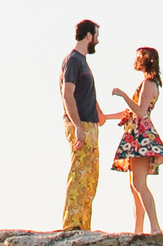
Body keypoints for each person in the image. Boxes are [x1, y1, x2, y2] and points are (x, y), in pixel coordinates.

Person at [103, 46, 163, 235]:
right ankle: (138, 229)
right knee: (135, 186)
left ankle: (154, 227)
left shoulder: (148, 83)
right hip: (137, 136)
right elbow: (132, 113)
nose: (135, 60)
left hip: (141, 138)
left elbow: (140, 111)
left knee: (139, 184)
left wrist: (123, 95)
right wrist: (106, 117)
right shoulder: (148, 83)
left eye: (138, 57)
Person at [58, 18, 104, 229]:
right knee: (79, 174)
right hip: (81, 124)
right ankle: (71, 225)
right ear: (88, 36)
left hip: (90, 124)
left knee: (90, 177)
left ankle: (83, 226)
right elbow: (67, 94)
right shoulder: (74, 60)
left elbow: (86, 95)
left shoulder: (83, 61)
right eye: (96, 36)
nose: (97, 40)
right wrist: (77, 127)